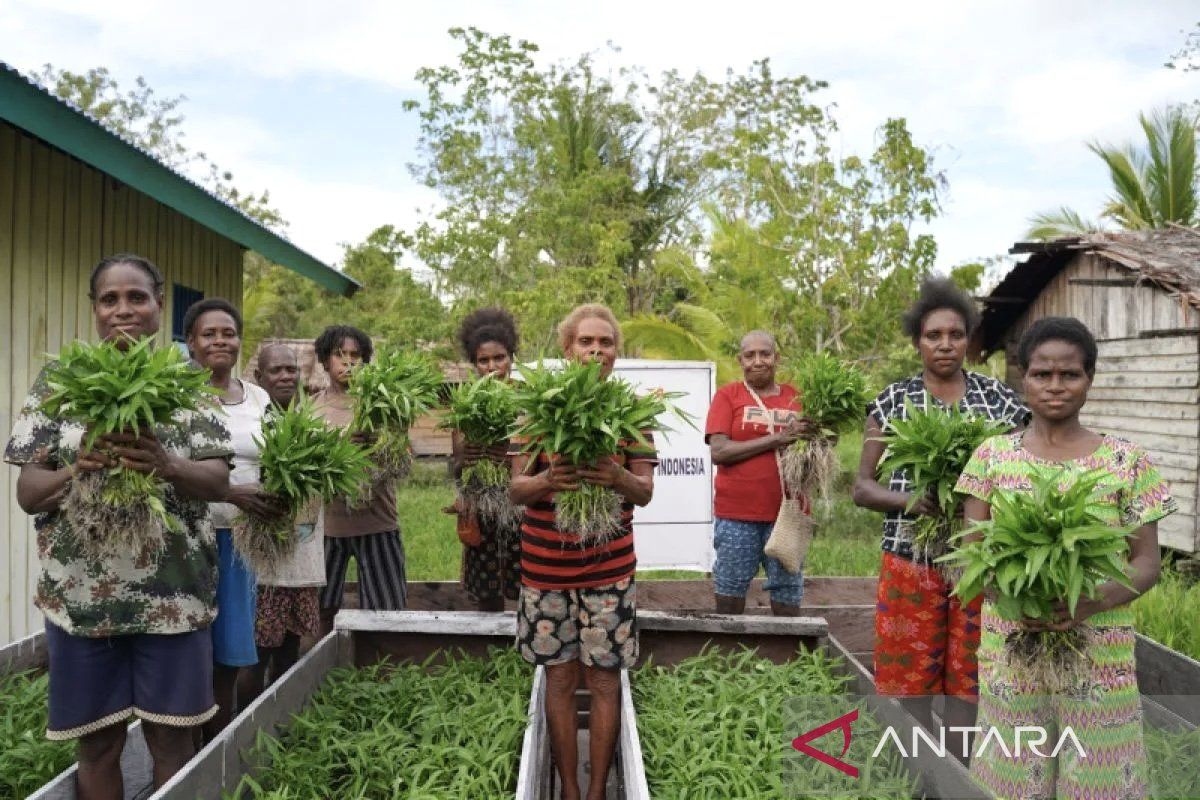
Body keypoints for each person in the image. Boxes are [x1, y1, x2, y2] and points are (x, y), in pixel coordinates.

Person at [5, 254, 232, 799]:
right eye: (110, 299)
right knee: (98, 745)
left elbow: (219, 482)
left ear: (158, 306)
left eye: (137, 298)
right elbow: (29, 494)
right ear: (95, 310)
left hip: (174, 601)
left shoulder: (186, 381)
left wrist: (168, 464)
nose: (123, 310)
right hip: (81, 602)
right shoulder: (59, 383)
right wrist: (75, 468)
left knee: (173, 741)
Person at [957, 317, 1173, 798]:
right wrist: (1019, 599)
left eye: (1070, 374)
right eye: (1042, 374)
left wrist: (1089, 603)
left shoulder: (1126, 461)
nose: (1055, 386)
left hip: (1099, 653)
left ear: (1089, 379)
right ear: (1024, 378)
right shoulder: (992, 457)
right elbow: (972, 558)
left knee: (1098, 782)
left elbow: (1147, 563)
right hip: (1013, 651)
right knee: (1010, 781)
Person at [852, 277, 1030, 732]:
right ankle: (920, 767)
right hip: (911, 558)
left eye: (956, 335)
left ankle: (957, 771)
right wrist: (912, 500)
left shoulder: (1001, 401)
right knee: (910, 677)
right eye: (933, 336)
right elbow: (863, 488)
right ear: (917, 343)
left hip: (980, 561)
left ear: (969, 340)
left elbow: (1029, 469)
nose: (945, 345)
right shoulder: (893, 401)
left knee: (968, 677)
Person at [510, 304, 657, 800]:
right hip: (545, 570)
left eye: (605, 343)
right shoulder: (536, 409)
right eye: (585, 342)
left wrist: (616, 476)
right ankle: (568, 787)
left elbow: (645, 490)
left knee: (603, 680)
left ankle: (597, 791)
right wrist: (549, 479)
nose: (596, 351)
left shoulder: (632, 412)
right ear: (566, 348)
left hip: (608, 572)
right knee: (558, 678)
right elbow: (515, 489)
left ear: (617, 351)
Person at [183, 298, 272, 737]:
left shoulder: (258, 397)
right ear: (191, 344)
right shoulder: (178, 397)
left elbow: (275, 457)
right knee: (190, 649)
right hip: (189, 538)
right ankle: (187, 745)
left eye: (229, 333)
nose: (220, 340)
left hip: (241, 539)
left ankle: (218, 747)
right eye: (209, 334)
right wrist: (233, 492)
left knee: (229, 653)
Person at [705, 330, 813, 616]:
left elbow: (820, 442)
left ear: (777, 358)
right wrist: (777, 439)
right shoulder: (728, 397)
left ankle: (787, 656)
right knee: (730, 585)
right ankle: (729, 653)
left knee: (788, 588)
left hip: (789, 514)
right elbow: (719, 451)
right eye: (750, 355)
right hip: (738, 515)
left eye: (765, 354)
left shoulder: (797, 397)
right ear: (740, 360)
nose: (757, 361)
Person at [240, 344, 325, 700]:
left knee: (291, 644)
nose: (286, 376)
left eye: (291, 369)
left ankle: (282, 718)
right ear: (259, 378)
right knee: (256, 651)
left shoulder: (311, 421)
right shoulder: (252, 425)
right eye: (276, 371)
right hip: (263, 559)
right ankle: (243, 720)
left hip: (302, 552)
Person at [313, 325, 407, 632]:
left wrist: (378, 442)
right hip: (326, 528)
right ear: (325, 362)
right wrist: (341, 449)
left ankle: (381, 672)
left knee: (384, 611)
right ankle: (323, 669)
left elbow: (403, 458)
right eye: (339, 355)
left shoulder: (384, 404)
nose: (348, 362)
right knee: (321, 609)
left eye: (356, 355)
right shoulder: (311, 409)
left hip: (377, 522)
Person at [451, 307, 522, 612]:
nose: (492, 367)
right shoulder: (465, 404)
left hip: (522, 507)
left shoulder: (528, 400)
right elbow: (456, 466)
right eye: (484, 360)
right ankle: (492, 654)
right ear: (474, 364)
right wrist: (467, 457)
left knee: (527, 588)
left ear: (511, 358)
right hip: (482, 506)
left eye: (499, 358)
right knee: (486, 591)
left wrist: (508, 458)